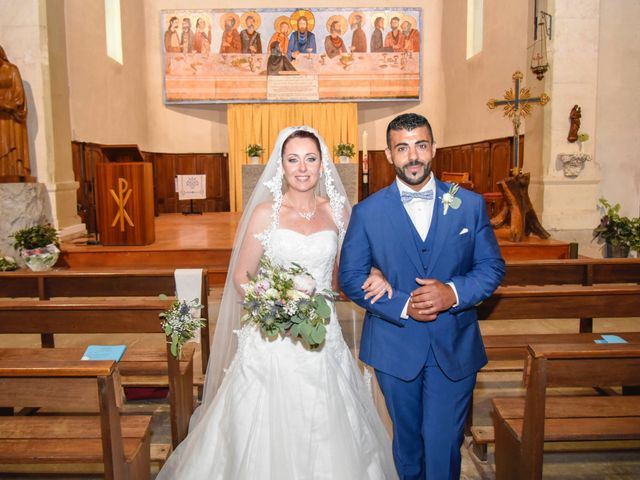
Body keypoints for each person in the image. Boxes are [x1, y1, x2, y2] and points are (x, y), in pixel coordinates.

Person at [156, 126, 397, 479]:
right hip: (273, 339)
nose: (302, 168)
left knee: (328, 422)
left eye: (310, 159)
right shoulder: (264, 214)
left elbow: (357, 262)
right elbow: (242, 276)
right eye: (293, 159)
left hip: (323, 337)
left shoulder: (338, 213)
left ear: (322, 165)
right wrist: (274, 305)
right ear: (281, 166)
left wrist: (377, 273)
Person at [340, 113, 505, 480]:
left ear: (433, 148)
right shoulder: (367, 213)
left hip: (454, 343)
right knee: (409, 443)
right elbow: (350, 277)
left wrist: (452, 292)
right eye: (402, 147)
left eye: (420, 145)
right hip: (395, 346)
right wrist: (402, 304)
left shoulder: (469, 205)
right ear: (388, 154)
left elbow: (491, 268)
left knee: (444, 442)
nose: (412, 156)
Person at [0, 45, 30, 178]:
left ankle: (14, 170)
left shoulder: (12, 70)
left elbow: (19, 96)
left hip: (11, 118)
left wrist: (7, 104)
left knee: (13, 144)